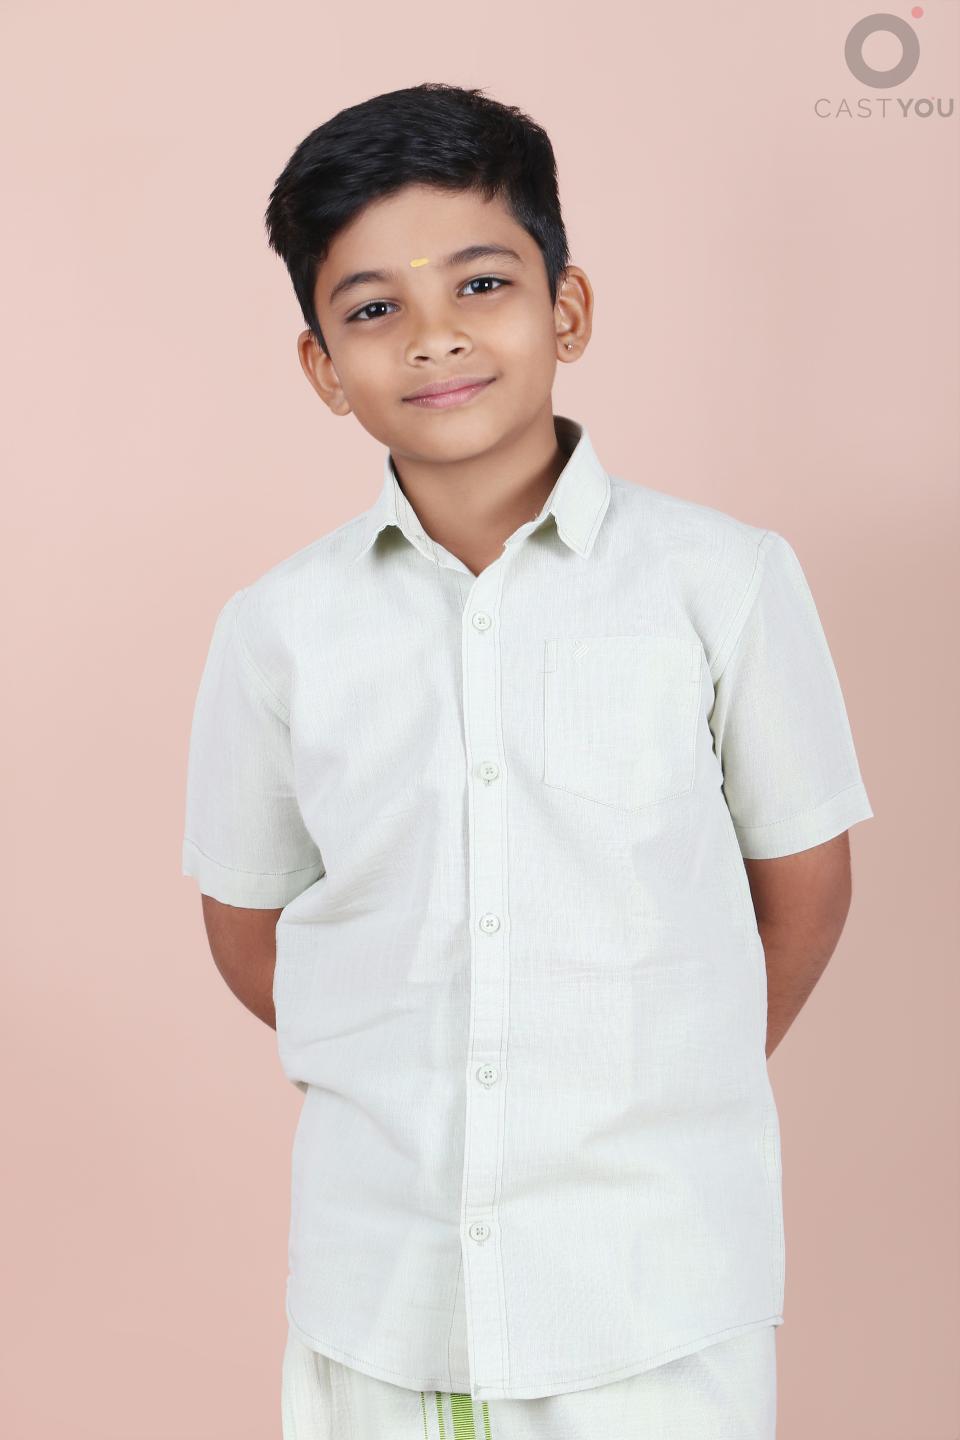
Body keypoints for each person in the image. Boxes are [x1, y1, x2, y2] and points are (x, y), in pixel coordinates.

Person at [181, 82, 874, 1439]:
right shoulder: (278, 630)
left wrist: (650, 1076)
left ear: (568, 309)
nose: (434, 336)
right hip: (380, 1294)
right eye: (372, 308)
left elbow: (804, 890)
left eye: (482, 284)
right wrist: (416, 1056)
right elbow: (249, 924)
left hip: (656, 1296)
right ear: (322, 367)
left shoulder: (723, 581)